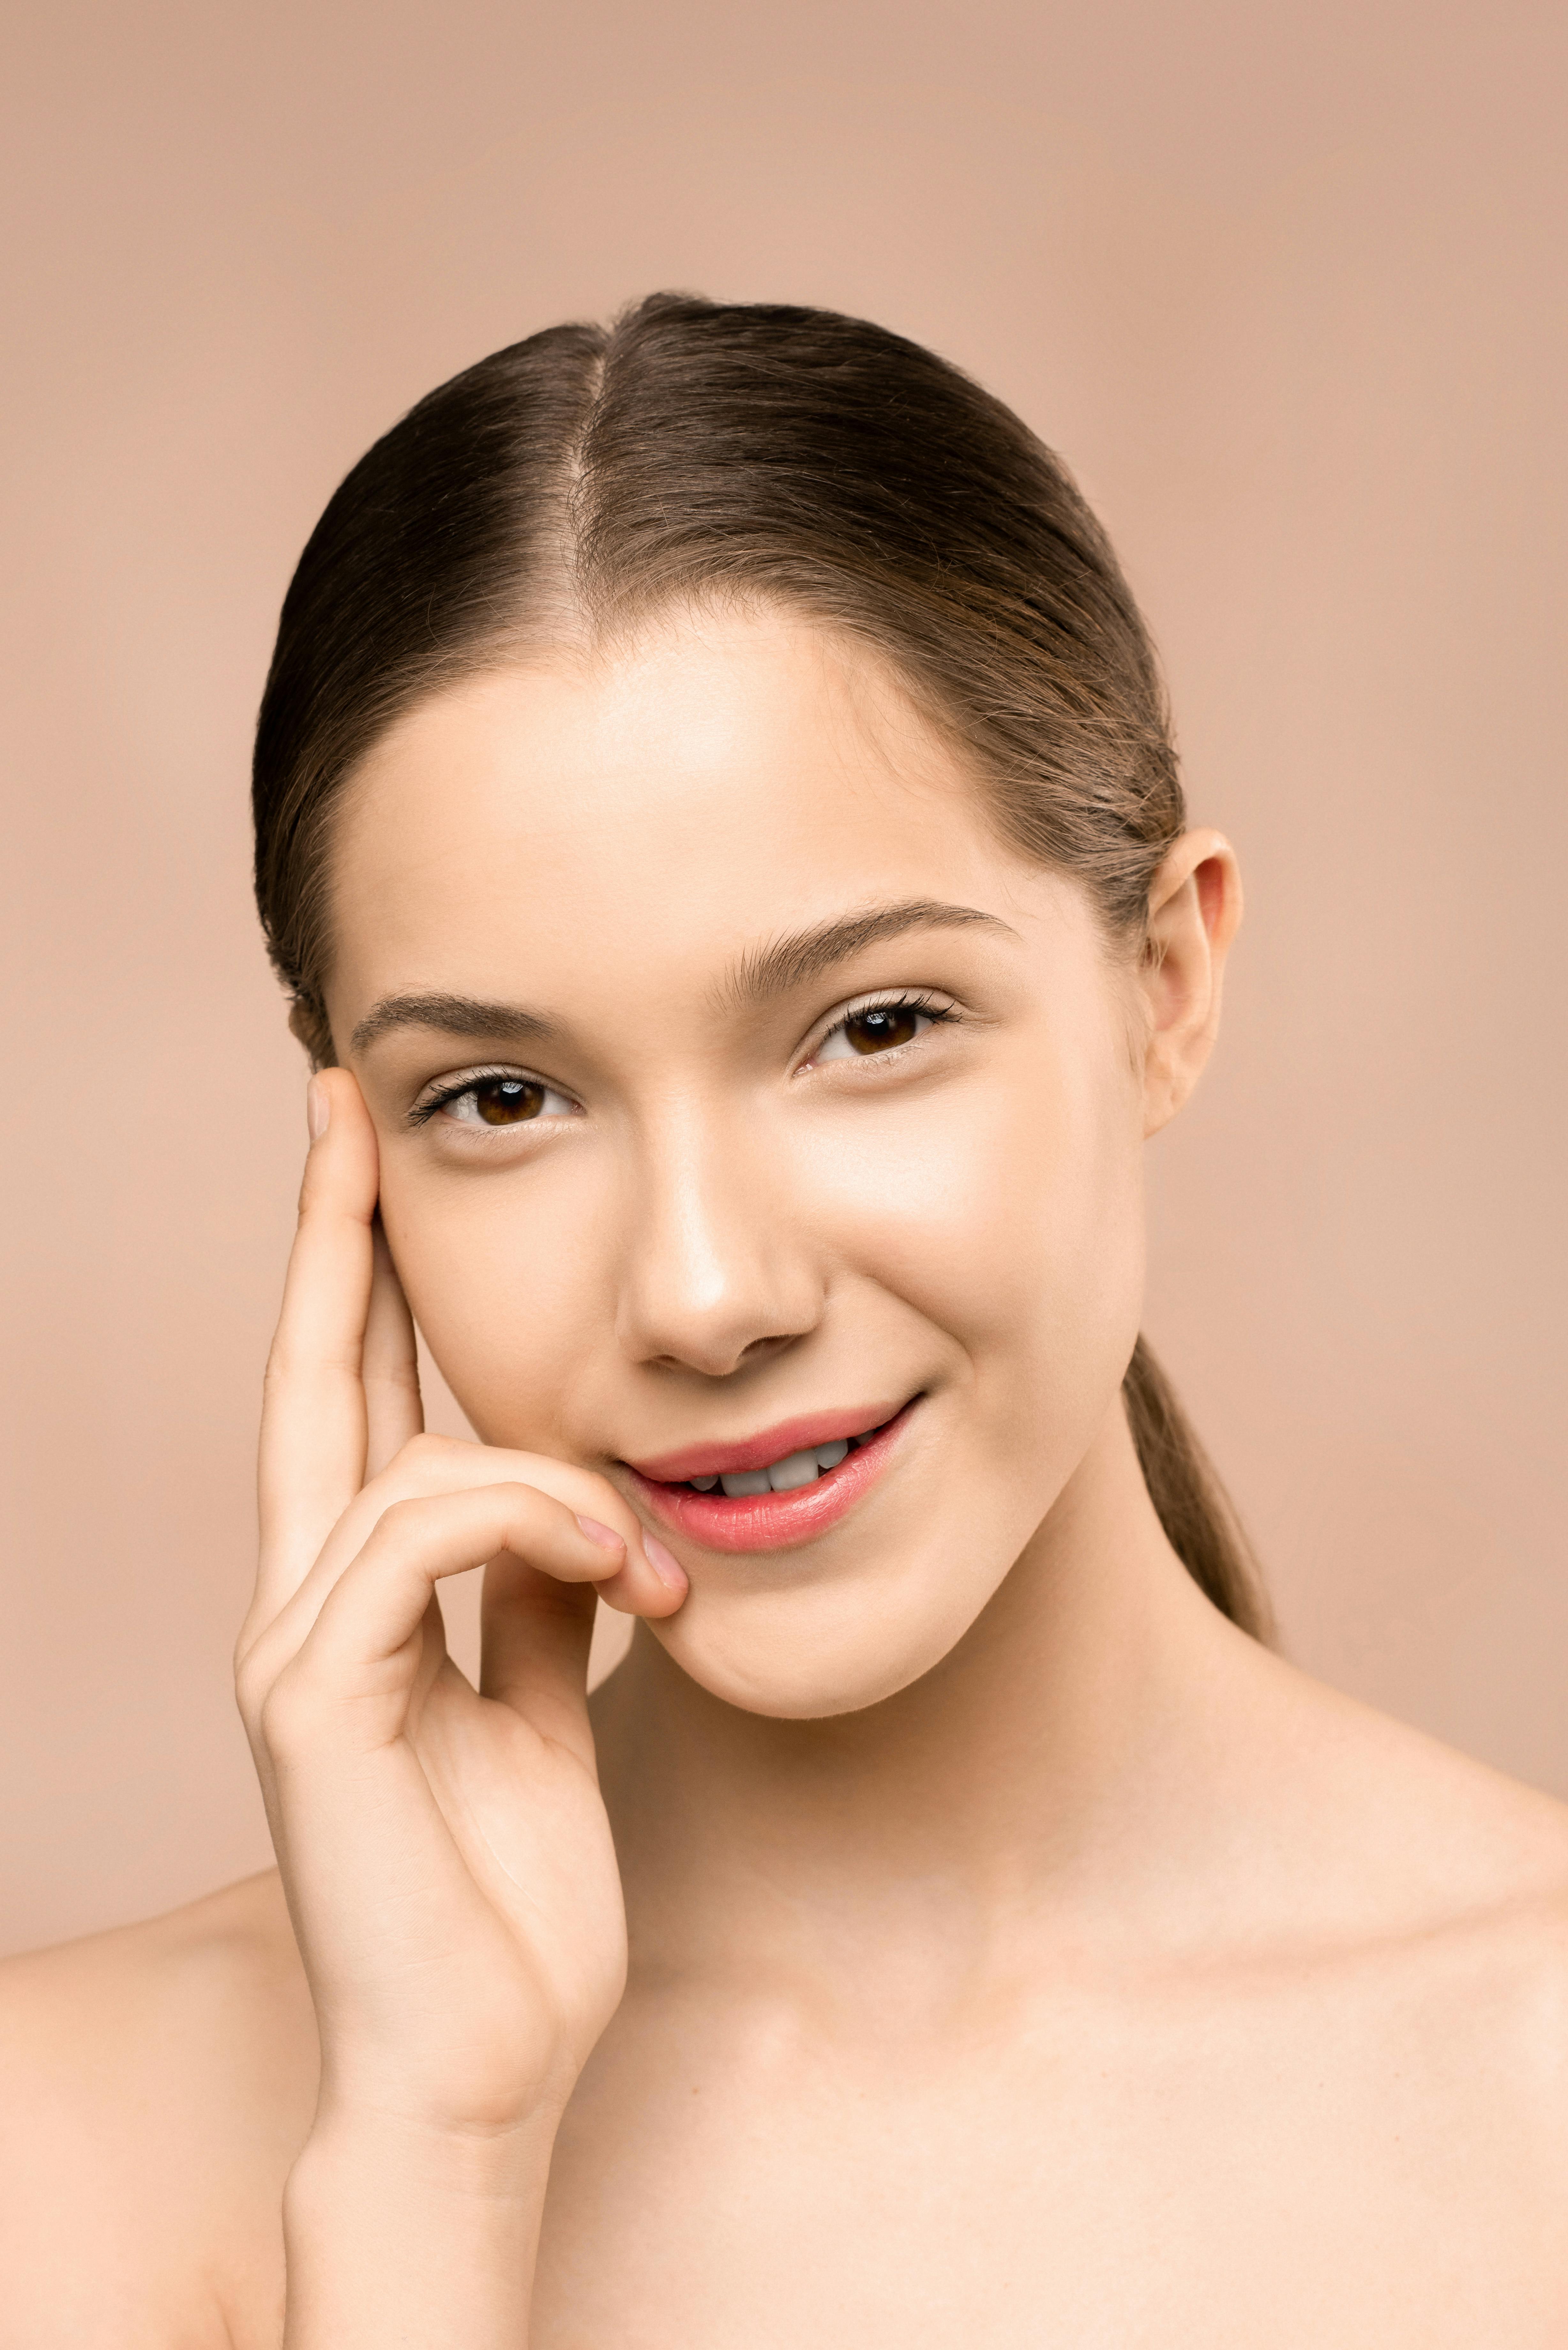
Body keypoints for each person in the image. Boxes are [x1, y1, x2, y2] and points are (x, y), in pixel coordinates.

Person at [2, 293, 1566, 2348]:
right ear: (356, 1159)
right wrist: (429, 2166)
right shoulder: (71, 2152)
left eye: (874, 1027)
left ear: (1164, 986)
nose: (708, 1293)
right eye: (503, 1096)